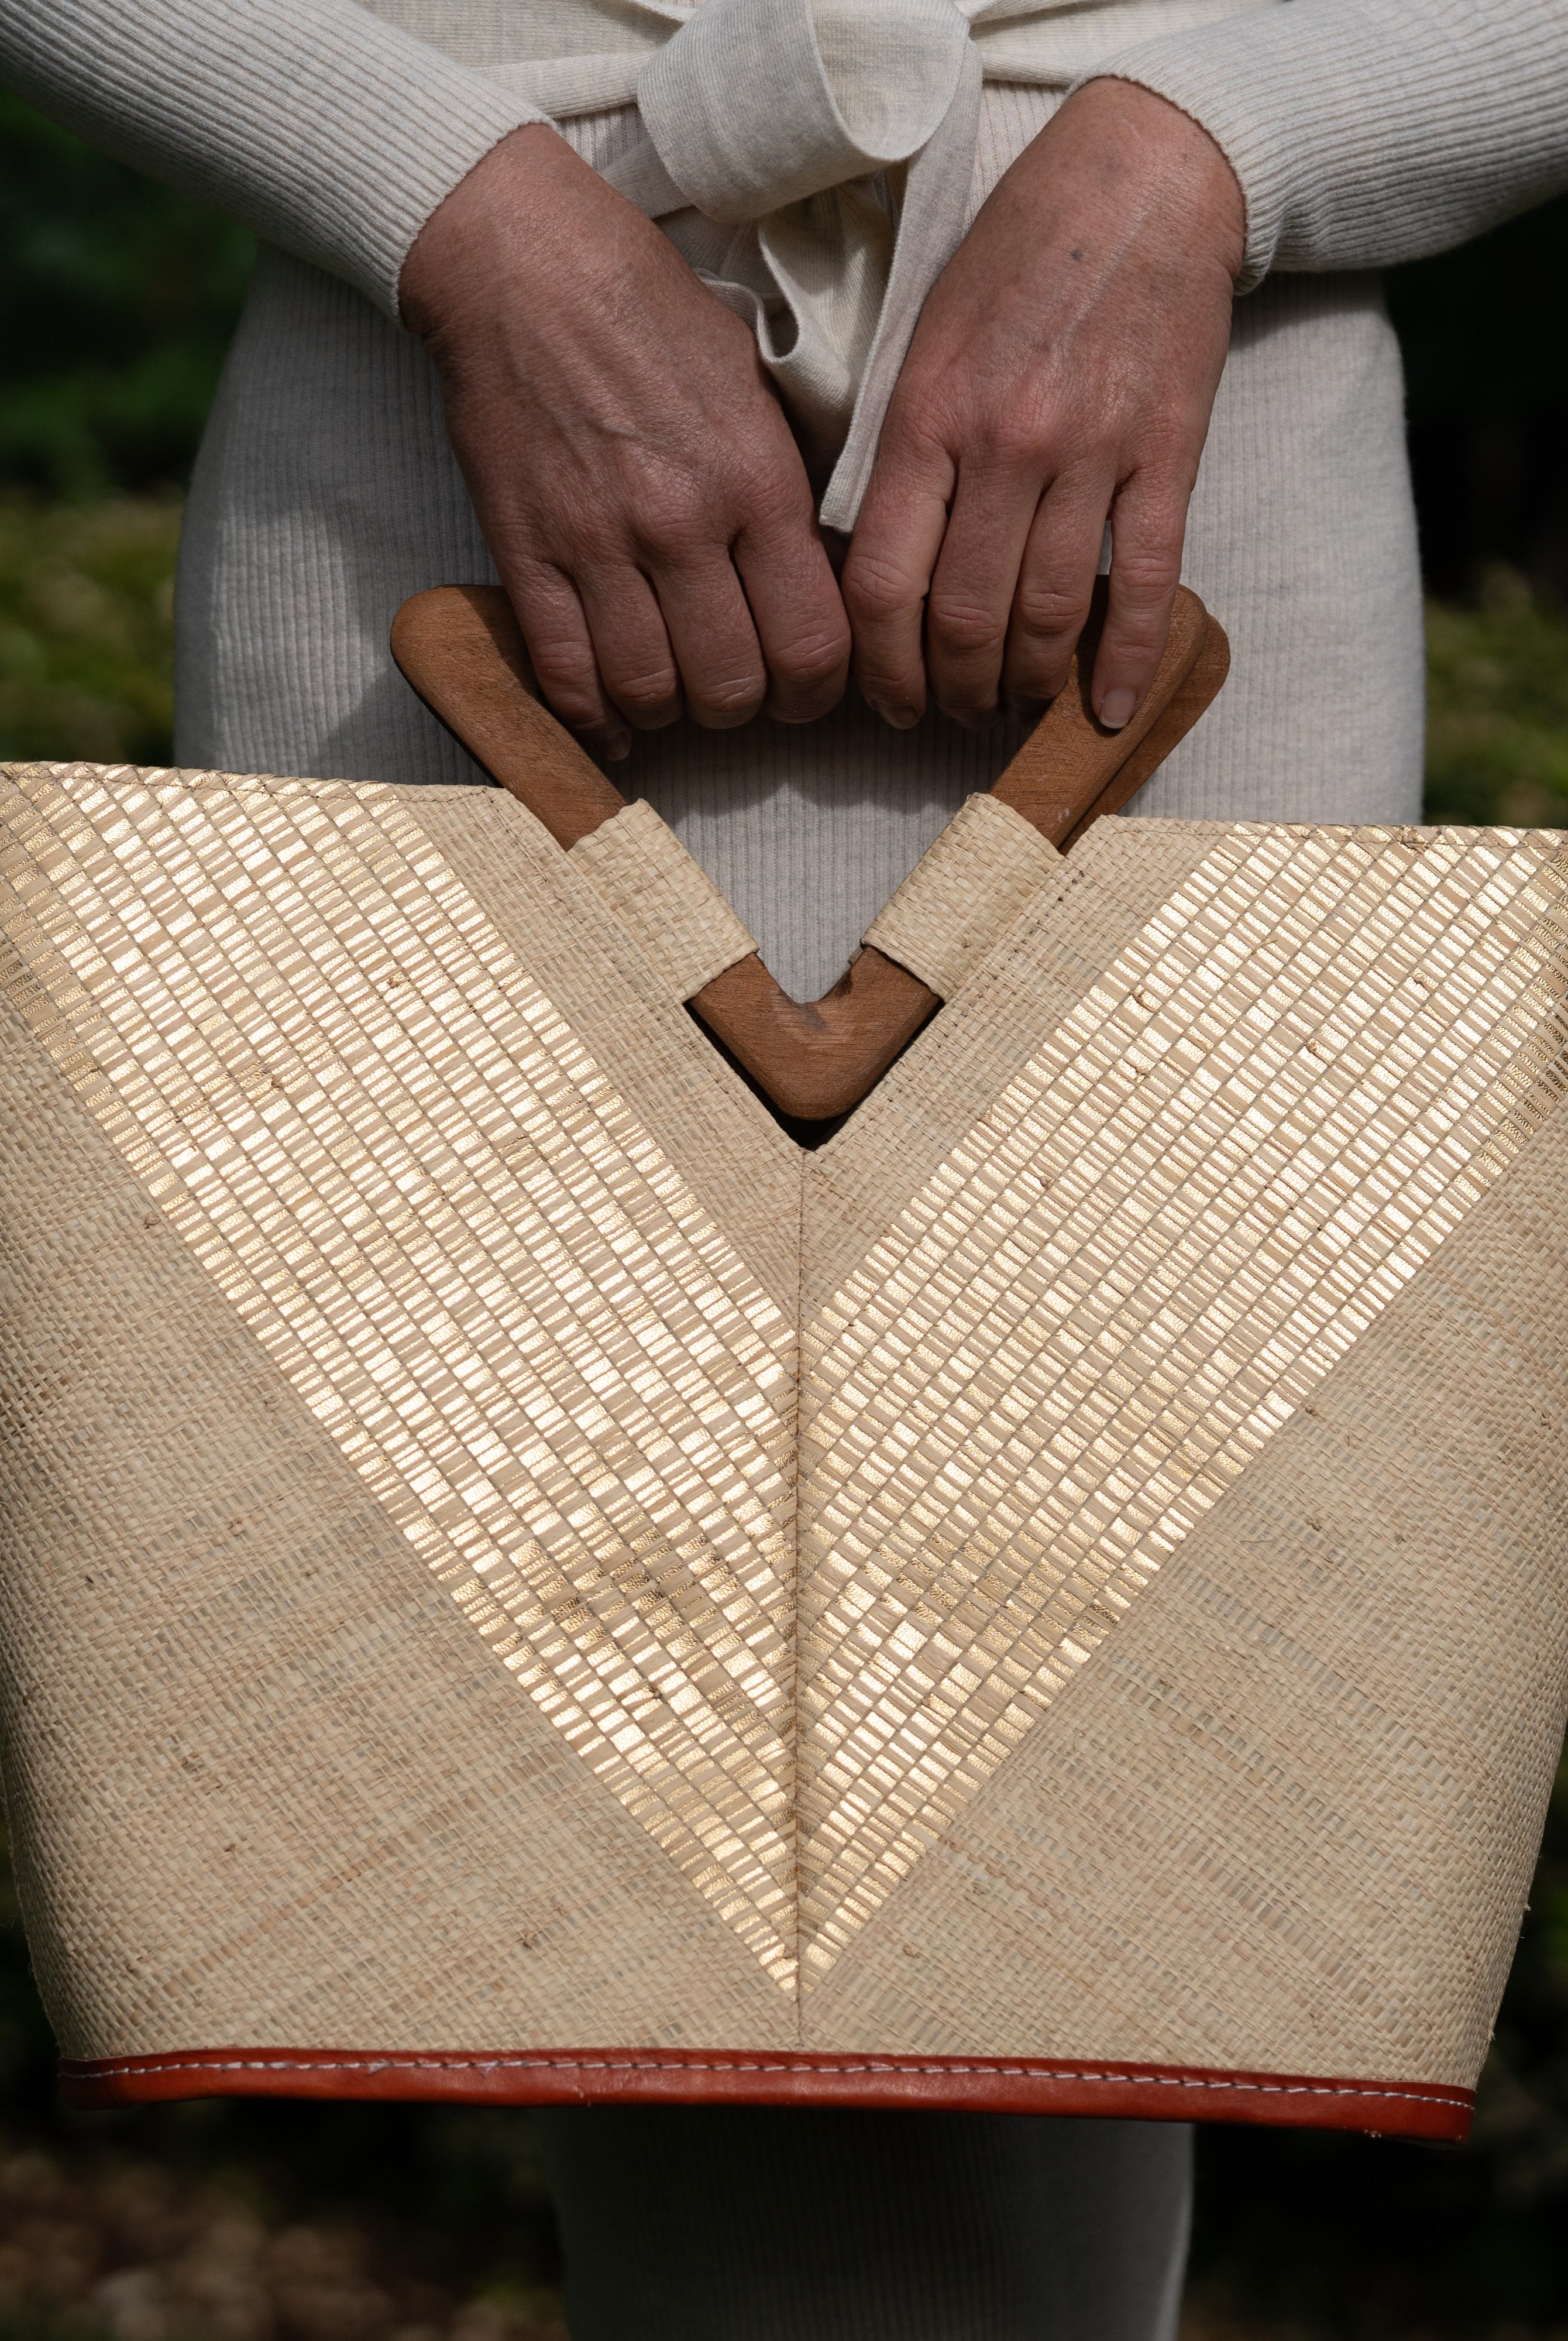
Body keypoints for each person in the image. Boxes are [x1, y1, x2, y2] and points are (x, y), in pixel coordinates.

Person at [0, 0, 1563, 2332]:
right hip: (439, 429)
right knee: (603, 1927)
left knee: (1073, 1932)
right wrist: (447, 199)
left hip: (1172, 443)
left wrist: (1215, 147)